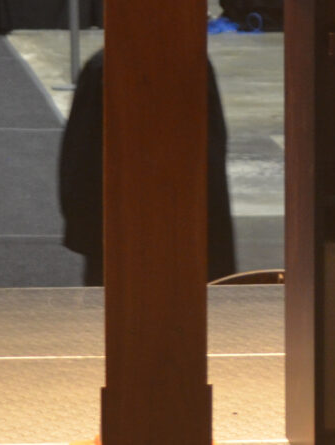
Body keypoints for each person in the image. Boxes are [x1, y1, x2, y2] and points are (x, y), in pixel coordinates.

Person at [58, 47, 235, 285]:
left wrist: (83, 226)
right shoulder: (192, 63)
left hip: (123, 222)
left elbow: (81, 158)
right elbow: (211, 155)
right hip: (180, 219)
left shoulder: (105, 66)